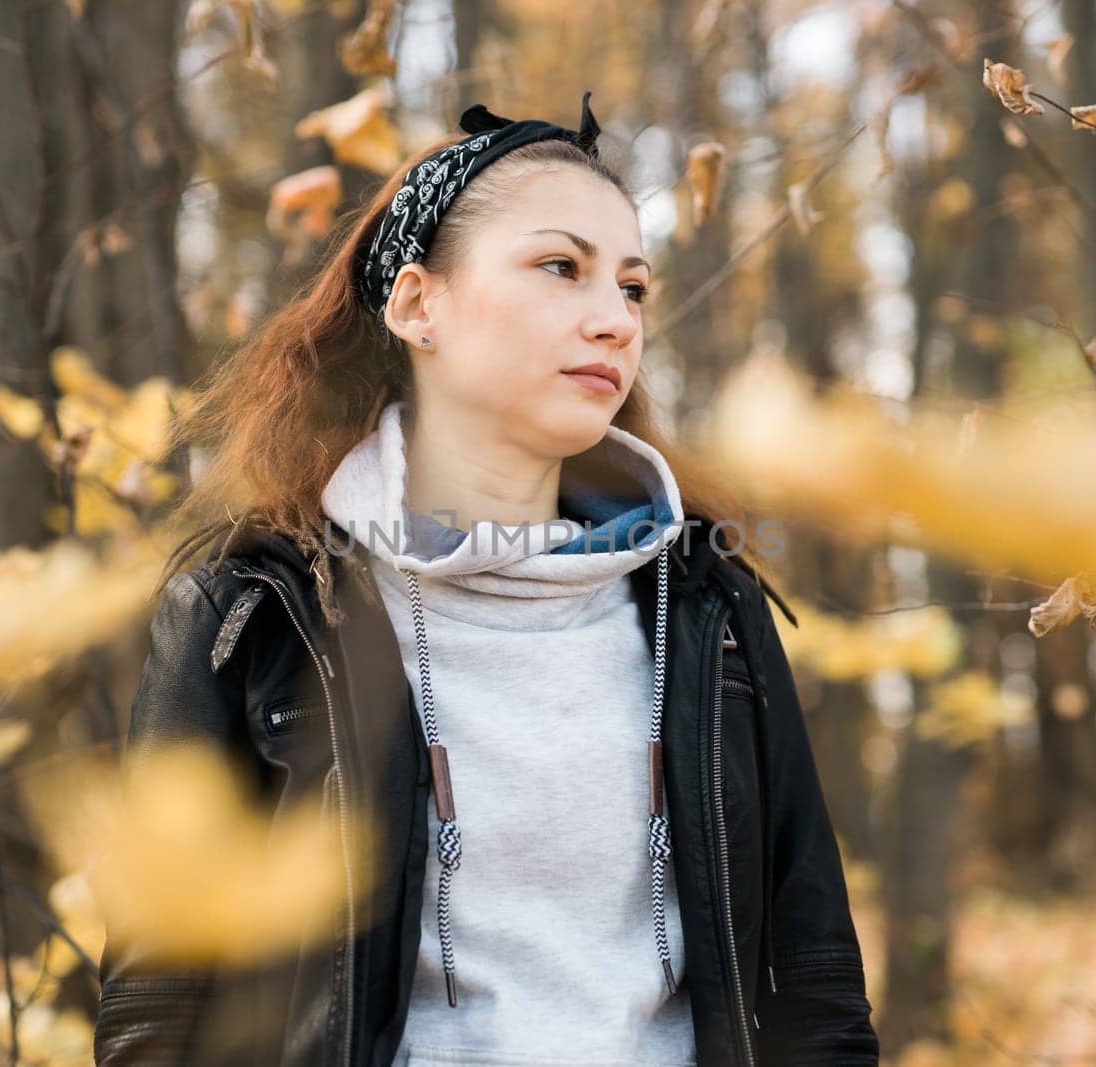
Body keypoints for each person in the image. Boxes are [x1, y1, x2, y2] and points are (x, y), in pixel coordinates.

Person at [93, 90, 878, 1066]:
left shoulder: (707, 604)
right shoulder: (254, 613)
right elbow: (154, 1015)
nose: (613, 322)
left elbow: (814, 988)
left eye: (632, 289)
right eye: (561, 267)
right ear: (418, 305)